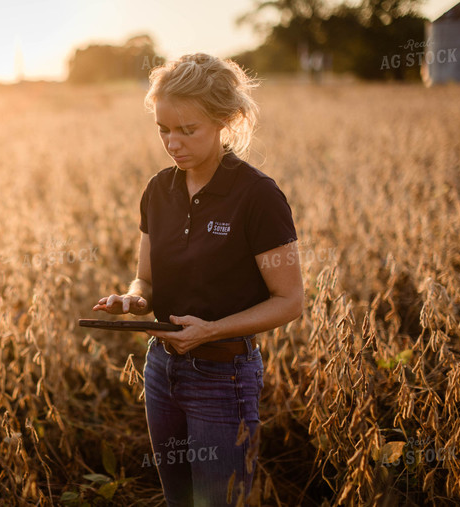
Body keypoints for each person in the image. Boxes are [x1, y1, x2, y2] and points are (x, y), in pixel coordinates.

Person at [92, 53, 304, 506]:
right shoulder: (158, 190)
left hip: (224, 378)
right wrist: (129, 302)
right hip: (161, 370)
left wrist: (212, 330)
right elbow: (145, 282)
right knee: (179, 500)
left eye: (188, 130)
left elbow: (289, 300)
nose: (173, 142)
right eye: (164, 129)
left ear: (225, 121)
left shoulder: (257, 196)